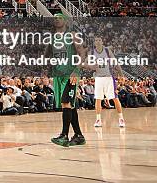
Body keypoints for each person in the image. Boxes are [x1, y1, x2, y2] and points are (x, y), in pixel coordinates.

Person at [46, 14, 86, 147]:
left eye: (59, 17)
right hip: (58, 75)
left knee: (66, 102)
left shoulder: (73, 35)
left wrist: (77, 71)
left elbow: (83, 54)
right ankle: (79, 135)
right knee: (69, 105)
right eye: (55, 18)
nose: (56, 19)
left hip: (70, 74)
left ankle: (64, 135)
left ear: (65, 21)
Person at [91, 37, 125, 128]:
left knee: (114, 97)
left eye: (99, 40)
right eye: (96, 40)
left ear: (102, 42)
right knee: (98, 99)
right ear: (94, 43)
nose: (97, 41)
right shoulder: (92, 52)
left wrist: (121, 74)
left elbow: (115, 62)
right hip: (98, 78)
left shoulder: (107, 51)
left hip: (109, 77)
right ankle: (98, 120)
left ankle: (121, 119)